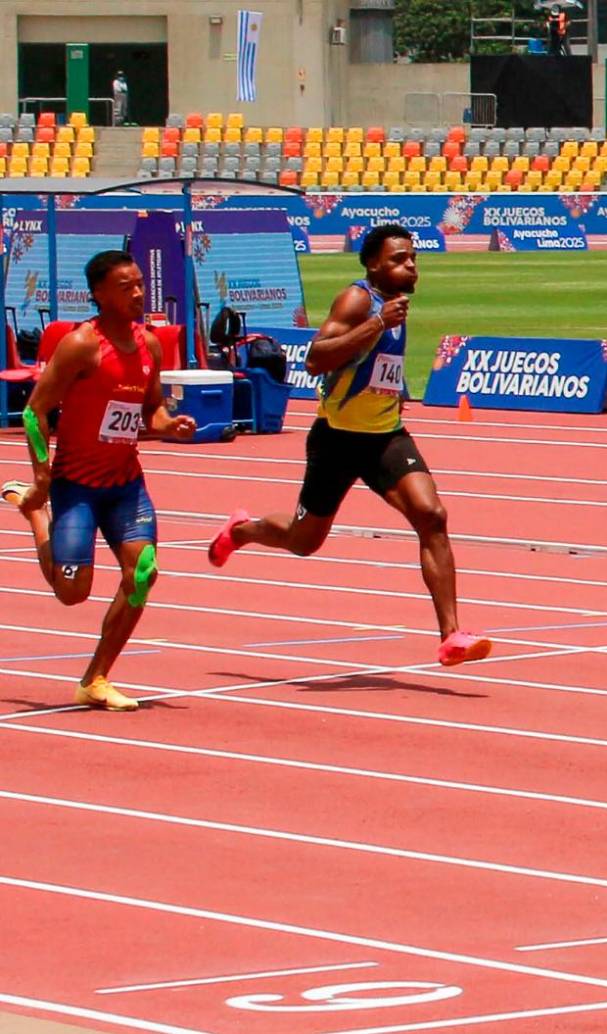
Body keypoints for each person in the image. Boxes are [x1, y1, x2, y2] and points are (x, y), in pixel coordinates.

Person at [208, 224, 492, 668]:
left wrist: (392, 386)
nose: (411, 265)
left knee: (431, 516)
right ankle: (243, 529)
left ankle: (451, 635)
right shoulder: (359, 300)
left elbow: (373, 365)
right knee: (305, 541)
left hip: (384, 436)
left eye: (413, 258)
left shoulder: (396, 306)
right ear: (374, 264)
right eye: (399, 259)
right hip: (337, 439)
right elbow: (316, 358)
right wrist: (378, 323)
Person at [1, 250, 197, 710]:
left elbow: (153, 410)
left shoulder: (149, 344)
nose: (137, 293)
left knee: (143, 573)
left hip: (126, 482)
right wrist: (42, 475)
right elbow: (35, 411)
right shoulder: (81, 345)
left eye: (139, 284)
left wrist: (171, 425)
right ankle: (35, 514)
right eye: (125, 286)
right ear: (99, 294)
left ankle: (96, 677)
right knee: (72, 593)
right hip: (76, 483)